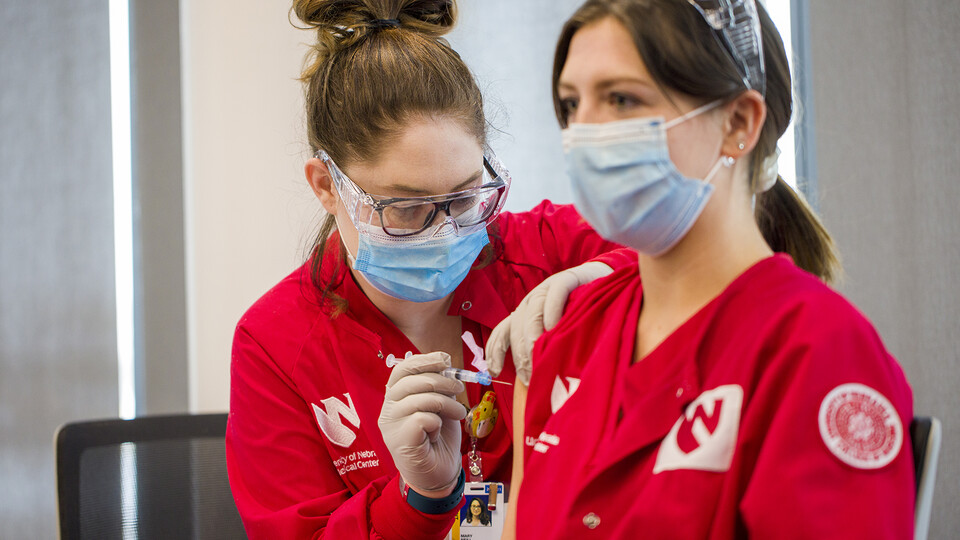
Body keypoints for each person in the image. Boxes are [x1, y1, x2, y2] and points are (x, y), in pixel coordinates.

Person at [493, 0, 915, 538]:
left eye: (621, 99)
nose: (585, 134)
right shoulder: (567, 335)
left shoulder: (817, 352)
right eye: (572, 105)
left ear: (737, 122)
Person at [225, 1, 631, 538]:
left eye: (465, 198)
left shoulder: (543, 250)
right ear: (326, 186)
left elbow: (712, 259)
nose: (444, 233)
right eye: (406, 208)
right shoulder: (275, 344)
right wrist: (423, 498)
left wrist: (597, 277)